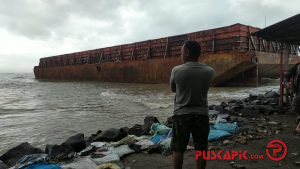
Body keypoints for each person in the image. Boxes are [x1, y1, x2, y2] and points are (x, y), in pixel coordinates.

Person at [170, 40, 214, 169]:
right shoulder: (209, 71)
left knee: (178, 148)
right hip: (202, 115)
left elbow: (174, 89)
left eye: (182, 52)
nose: (181, 55)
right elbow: (205, 88)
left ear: (187, 52)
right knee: (201, 149)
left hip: (181, 115)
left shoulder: (176, 70)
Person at [285, 62, 300, 133]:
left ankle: (298, 128)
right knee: (294, 107)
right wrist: (286, 82)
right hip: (298, 91)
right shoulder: (297, 66)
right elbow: (287, 74)